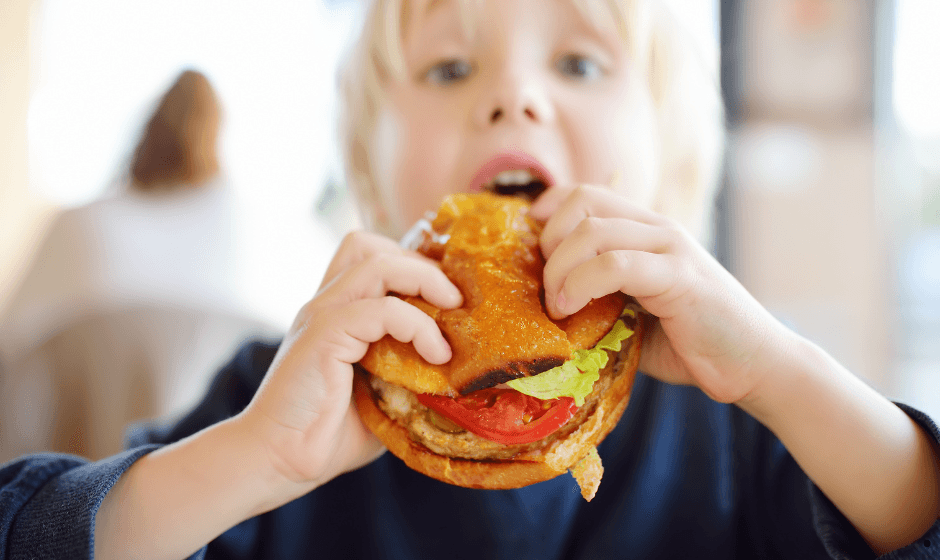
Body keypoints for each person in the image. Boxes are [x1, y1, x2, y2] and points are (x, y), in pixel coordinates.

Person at [1, 0, 939, 558]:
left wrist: (781, 373)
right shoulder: (275, 399)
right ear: (368, 170)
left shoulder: (741, 424)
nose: (513, 95)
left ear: (671, 163)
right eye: (448, 66)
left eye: (578, 61)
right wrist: (251, 461)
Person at [0, 70, 277, 462]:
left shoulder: (79, 225)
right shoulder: (250, 236)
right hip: (210, 479)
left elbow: (9, 338)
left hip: (62, 471)